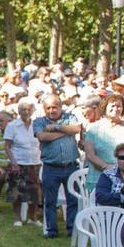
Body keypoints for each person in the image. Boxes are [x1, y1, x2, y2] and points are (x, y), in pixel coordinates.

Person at [33, 95, 82, 238]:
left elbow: (77, 129)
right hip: (51, 166)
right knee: (50, 200)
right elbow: (42, 137)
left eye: (54, 107)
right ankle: (51, 230)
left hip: (71, 165)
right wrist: (64, 132)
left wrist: (56, 127)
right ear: (44, 109)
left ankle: (71, 229)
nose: (52, 110)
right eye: (48, 108)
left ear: (60, 107)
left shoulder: (70, 117)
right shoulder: (39, 121)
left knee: (73, 199)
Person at [4, 100, 41, 226]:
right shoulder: (12, 125)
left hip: (35, 162)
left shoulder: (37, 125)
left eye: (29, 109)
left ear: (32, 111)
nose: (26, 112)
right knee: (16, 191)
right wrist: (13, 162)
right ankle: (17, 218)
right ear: (19, 112)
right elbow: (7, 146)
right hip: (18, 162)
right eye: (23, 109)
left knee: (35, 191)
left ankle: (33, 218)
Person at [94, 142, 124, 208]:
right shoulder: (108, 175)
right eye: (122, 158)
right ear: (117, 159)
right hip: (114, 215)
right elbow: (101, 197)